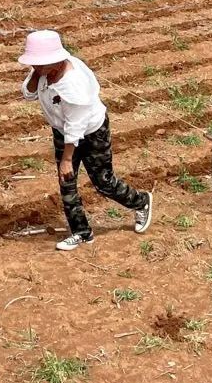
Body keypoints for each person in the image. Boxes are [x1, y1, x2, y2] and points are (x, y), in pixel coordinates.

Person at [19, 30, 152, 251]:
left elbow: (76, 126)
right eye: (34, 63)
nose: (35, 67)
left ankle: (141, 201)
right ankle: (81, 232)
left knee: (103, 181)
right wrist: (36, 70)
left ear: (56, 61)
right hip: (62, 131)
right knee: (66, 183)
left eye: (39, 63)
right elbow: (29, 93)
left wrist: (66, 159)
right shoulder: (45, 71)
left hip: (91, 133)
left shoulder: (74, 85)